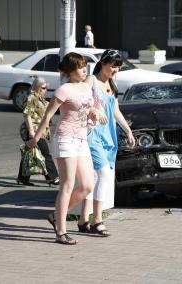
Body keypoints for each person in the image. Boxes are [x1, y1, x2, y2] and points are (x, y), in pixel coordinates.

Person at [27, 52, 106, 245]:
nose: (84, 69)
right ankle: (60, 231)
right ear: (70, 71)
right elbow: (47, 116)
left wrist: (94, 111)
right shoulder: (63, 90)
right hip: (65, 139)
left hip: (81, 140)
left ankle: (55, 216)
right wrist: (35, 139)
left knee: (87, 185)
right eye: (80, 67)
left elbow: (88, 105)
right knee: (67, 184)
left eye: (84, 65)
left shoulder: (86, 87)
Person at [77, 49, 135, 236]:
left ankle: (83, 219)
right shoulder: (91, 81)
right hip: (92, 134)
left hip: (107, 136)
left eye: (118, 66)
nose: (115, 69)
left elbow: (115, 110)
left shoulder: (112, 83)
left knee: (93, 178)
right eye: (113, 65)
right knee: (104, 175)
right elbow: (80, 100)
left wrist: (127, 130)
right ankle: (97, 220)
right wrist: (94, 109)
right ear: (103, 63)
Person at [17, 77, 59, 186]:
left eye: (46, 88)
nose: (46, 90)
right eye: (44, 88)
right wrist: (31, 132)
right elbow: (27, 114)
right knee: (45, 153)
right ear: (38, 87)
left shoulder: (41, 99)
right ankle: (53, 177)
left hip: (40, 131)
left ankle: (22, 178)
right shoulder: (32, 97)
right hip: (33, 131)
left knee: (29, 153)